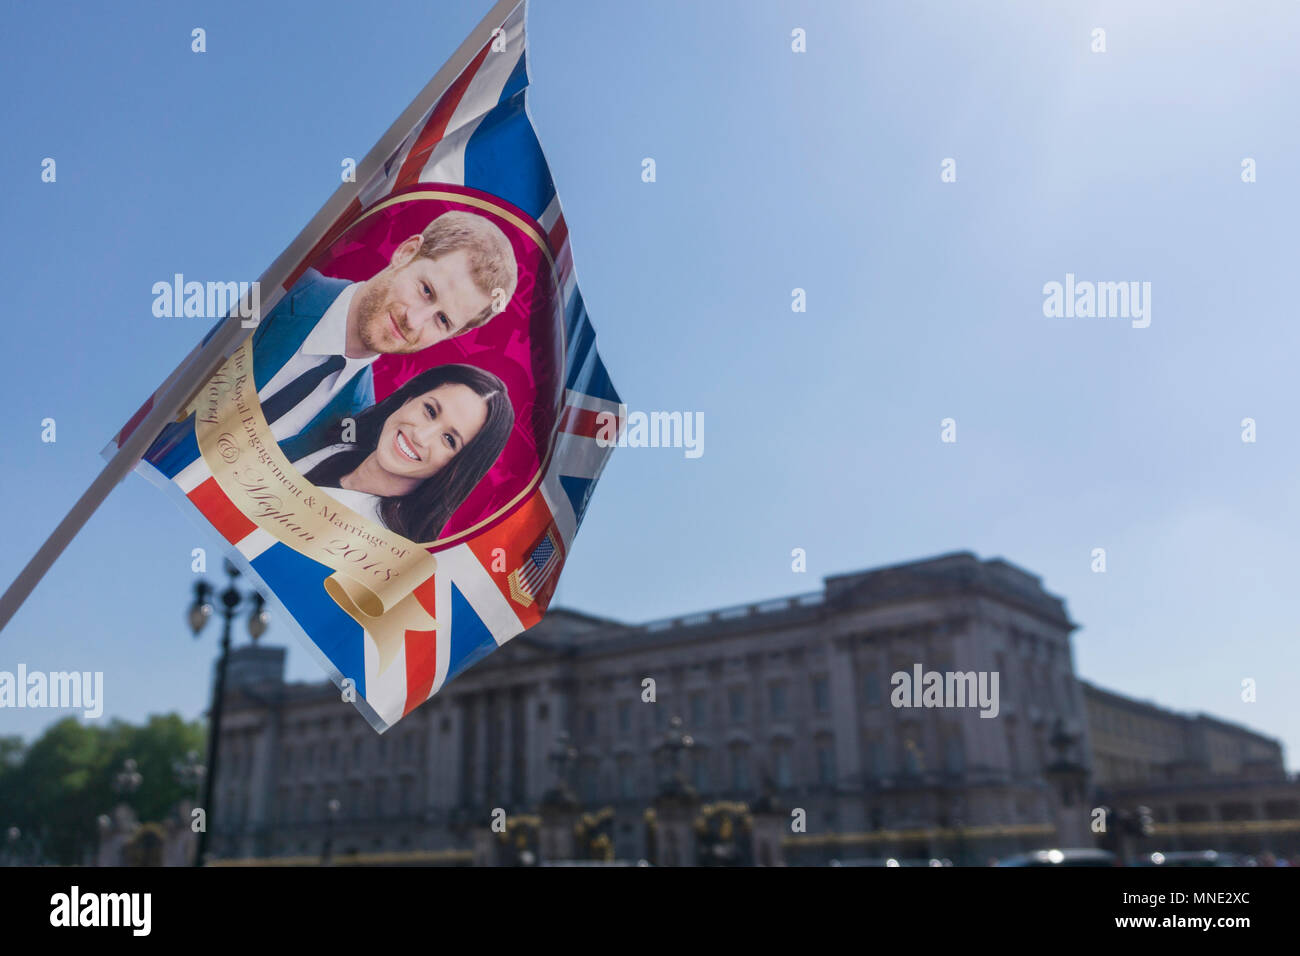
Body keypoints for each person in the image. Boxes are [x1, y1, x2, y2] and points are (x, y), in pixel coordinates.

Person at [145, 209, 518, 477]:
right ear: (406, 252)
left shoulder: (363, 427)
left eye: (442, 320)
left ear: (454, 335)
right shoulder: (274, 284)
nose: (414, 320)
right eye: (425, 290)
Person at [294, 364, 514, 542]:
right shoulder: (339, 439)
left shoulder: (383, 547)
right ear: (410, 398)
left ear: (457, 467)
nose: (421, 436)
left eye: (449, 440)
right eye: (430, 410)